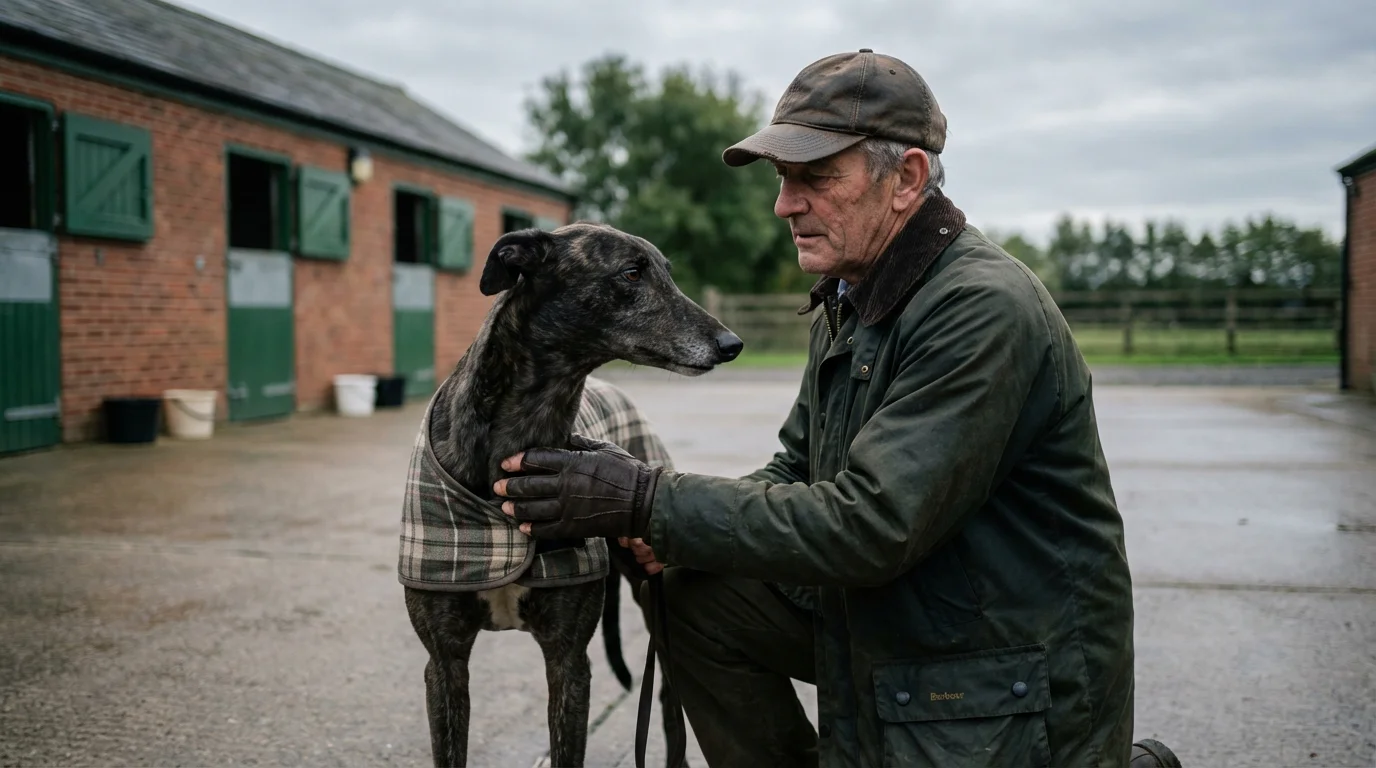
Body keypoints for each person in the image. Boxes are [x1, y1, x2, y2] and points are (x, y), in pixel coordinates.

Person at [494, 49, 1179, 768]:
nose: (786, 204)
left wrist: (647, 501)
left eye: (816, 178)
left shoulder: (981, 308)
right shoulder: (853, 296)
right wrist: (668, 529)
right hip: (914, 609)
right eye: (785, 179)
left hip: (1003, 651)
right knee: (694, 590)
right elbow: (797, 465)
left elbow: (873, 524)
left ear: (906, 180)